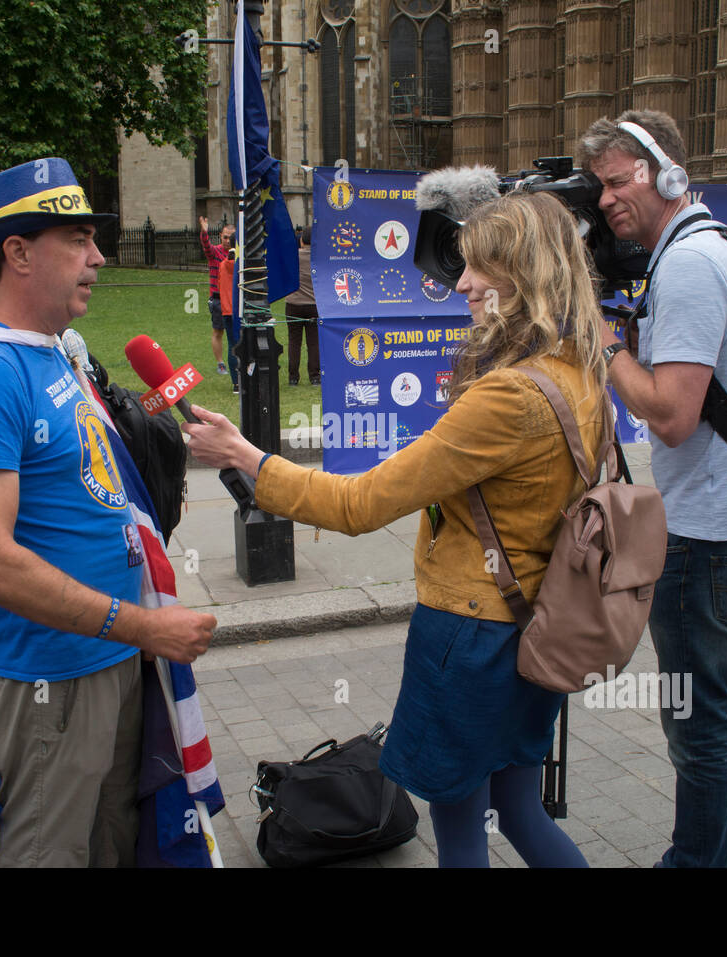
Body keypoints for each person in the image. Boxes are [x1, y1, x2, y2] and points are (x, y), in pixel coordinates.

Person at [185, 191, 604, 868]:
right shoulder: (580, 370)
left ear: (523, 277)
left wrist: (248, 459)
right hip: (540, 626)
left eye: (479, 269)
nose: (460, 283)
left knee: (462, 829)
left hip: (472, 638)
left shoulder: (507, 395)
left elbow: (360, 505)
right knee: (523, 809)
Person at [0, 157, 216, 866]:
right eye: (78, 240)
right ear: (18, 252)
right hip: (48, 682)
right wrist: (147, 623)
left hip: (111, 661)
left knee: (111, 845)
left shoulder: (53, 351)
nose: (97, 258)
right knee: (51, 850)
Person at [578, 109, 727, 867]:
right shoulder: (719, 247)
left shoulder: (691, 265)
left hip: (708, 536)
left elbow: (672, 414)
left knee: (700, 723)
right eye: (599, 187)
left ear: (667, 174)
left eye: (617, 181)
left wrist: (604, 343)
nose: (605, 200)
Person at [198, 216, 236, 376]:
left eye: (230, 237)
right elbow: (206, 247)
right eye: (225, 237)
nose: (227, 240)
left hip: (233, 299)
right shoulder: (216, 252)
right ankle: (221, 363)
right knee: (218, 332)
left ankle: (236, 362)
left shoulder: (238, 254)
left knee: (235, 335)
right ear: (221, 236)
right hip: (218, 300)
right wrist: (204, 232)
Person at [283, 228, 320, 386]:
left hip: (293, 303)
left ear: (301, 240)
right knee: (313, 342)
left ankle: (293, 376)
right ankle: (315, 375)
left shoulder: (292, 257)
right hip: (313, 303)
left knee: (294, 341)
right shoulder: (319, 259)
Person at [218, 249, 238, 392]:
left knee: (232, 346)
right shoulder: (241, 266)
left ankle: (236, 382)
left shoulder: (222, 265)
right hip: (239, 310)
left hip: (226, 310)